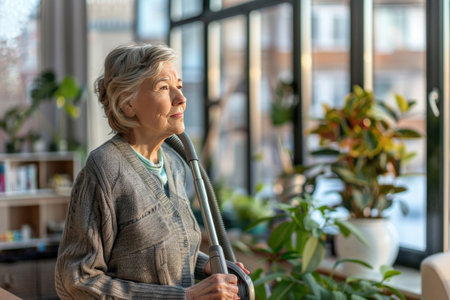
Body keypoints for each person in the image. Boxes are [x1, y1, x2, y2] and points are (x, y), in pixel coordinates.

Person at [55, 43, 249, 300]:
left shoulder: (174, 164)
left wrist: (205, 265)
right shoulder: (105, 168)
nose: (181, 98)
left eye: (179, 86)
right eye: (163, 88)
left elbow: (161, 249)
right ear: (127, 104)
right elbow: (77, 280)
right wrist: (185, 297)